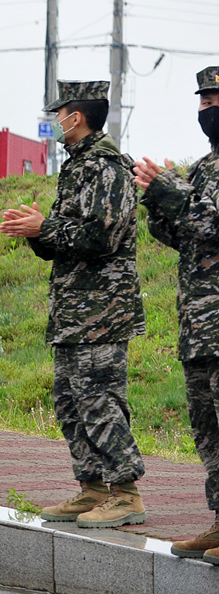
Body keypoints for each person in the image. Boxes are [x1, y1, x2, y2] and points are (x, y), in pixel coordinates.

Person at [0, 79, 148, 528]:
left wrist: (47, 228)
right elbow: (63, 237)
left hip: (102, 310)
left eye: (61, 112)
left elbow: (103, 237)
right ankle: (92, 488)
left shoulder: (106, 167)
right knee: (69, 401)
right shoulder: (78, 166)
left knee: (99, 399)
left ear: (76, 116)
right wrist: (36, 231)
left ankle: (126, 493)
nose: (56, 120)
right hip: (73, 309)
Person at [135, 66, 219, 560]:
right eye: (203, 103)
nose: (208, 111)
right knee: (208, 430)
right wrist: (156, 200)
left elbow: (213, 224)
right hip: (200, 324)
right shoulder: (207, 168)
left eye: (216, 102)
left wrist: (169, 191)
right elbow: (182, 235)